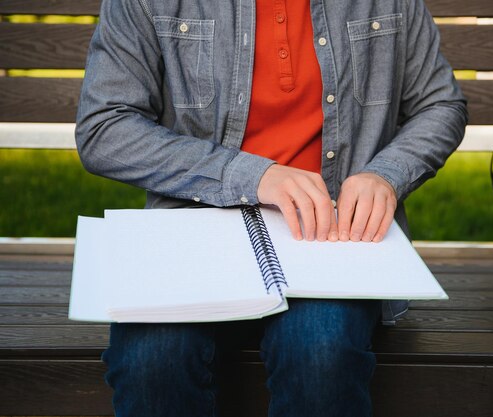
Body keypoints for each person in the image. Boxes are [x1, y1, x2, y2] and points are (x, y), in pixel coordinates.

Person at [75, 0, 467, 415]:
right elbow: (105, 127)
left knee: (320, 354)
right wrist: (252, 176)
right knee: (152, 362)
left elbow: (439, 105)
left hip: (330, 237)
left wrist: (387, 173)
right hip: (190, 231)